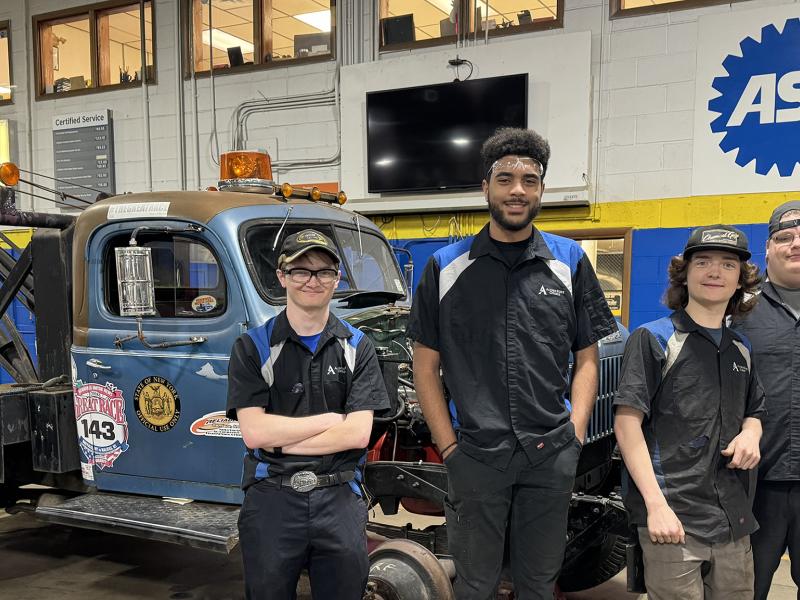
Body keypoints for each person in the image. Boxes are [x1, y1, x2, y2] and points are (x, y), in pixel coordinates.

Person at [408, 127, 617, 599]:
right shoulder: (445, 267)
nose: (517, 189)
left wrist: (575, 435)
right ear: (485, 188)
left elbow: (587, 358)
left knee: (539, 583)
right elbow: (425, 367)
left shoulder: (569, 263)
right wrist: (449, 449)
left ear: (542, 189)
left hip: (550, 455)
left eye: (530, 179)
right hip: (476, 457)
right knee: (476, 584)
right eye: (505, 178)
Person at [226, 229, 390, 600]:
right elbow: (254, 434)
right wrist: (332, 420)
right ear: (282, 276)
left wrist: (282, 439)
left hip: (339, 497)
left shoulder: (358, 347)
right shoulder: (252, 347)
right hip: (272, 499)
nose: (312, 281)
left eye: (324, 272)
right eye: (301, 271)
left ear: (337, 279)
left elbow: (357, 435)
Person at [614, 225, 764, 600]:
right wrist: (655, 505)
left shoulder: (741, 348)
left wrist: (751, 432)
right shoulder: (654, 339)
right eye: (704, 262)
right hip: (673, 516)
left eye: (728, 265)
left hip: (731, 517)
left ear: (740, 282)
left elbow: (756, 409)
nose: (715, 272)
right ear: (685, 274)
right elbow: (627, 424)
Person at [732, 201, 800, 600]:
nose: (795, 245)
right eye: (784, 238)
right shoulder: (738, 310)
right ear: (768, 248)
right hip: (756, 485)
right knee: (745, 589)